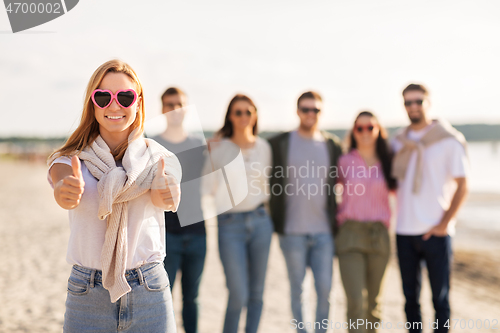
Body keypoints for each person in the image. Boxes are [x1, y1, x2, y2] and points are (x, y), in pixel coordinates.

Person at [47, 59, 181, 333]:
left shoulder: (159, 159)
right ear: (92, 103)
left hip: (149, 290)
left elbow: (164, 195)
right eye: (103, 97)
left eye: (125, 96)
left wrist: (167, 193)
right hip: (87, 294)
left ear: (138, 102)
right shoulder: (69, 160)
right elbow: (60, 182)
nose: (114, 105)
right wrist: (65, 191)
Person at [392, 84, 469, 333]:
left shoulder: (448, 140)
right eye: (408, 102)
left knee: (440, 299)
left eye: (418, 101)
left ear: (429, 102)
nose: (413, 107)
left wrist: (443, 224)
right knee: (410, 300)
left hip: (436, 232)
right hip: (404, 230)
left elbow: (462, 185)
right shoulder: (398, 142)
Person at [268, 91, 342, 333]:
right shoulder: (279, 143)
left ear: (321, 112)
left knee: (325, 291)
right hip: (291, 232)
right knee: (298, 291)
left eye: (316, 110)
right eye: (306, 109)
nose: (311, 114)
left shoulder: (332, 145)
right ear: (297, 111)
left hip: (324, 232)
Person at [202, 94, 273, 333]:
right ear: (230, 117)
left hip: (261, 222)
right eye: (238, 112)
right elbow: (208, 188)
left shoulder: (265, 147)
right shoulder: (220, 148)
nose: (243, 117)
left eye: (248, 112)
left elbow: (269, 187)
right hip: (229, 223)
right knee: (237, 294)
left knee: (257, 294)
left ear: (255, 115)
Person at [151, 87, 207, 333]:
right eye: (169, 104)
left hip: (198, 232)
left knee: (192, 299)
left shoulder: (199, 144)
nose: (174, 109)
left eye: (179, 104)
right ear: (162, 109)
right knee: (164, 298)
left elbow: (212, 186)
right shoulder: (153, 144)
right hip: (165, 234)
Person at [336, 111, 397, 333]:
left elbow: (406, 193)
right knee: (356, 302)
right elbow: (322, 191)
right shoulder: (344, 161)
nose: (365, 132)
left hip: (379, 235)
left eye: (369, 127)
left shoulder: (390, 161)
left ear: (378, 130)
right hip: (350, 234)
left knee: (373, 305)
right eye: (359, 128)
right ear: (354, 131)